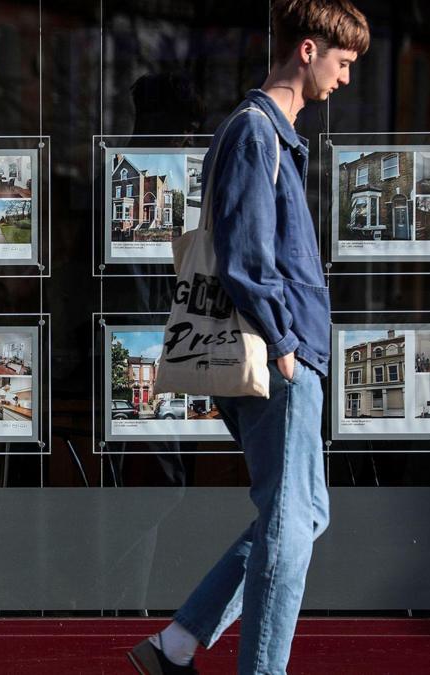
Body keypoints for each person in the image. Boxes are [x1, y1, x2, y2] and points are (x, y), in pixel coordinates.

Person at [127, 1, 369, 674]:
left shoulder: (271, 134)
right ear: (308, 50)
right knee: (289, 527)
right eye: (344, 64)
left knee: (305, 513)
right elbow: (243, 254)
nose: (346, 79)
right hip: (279, 357)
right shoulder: (256, 131)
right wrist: (286, 344)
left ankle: (176, 645)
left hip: (293, 355)